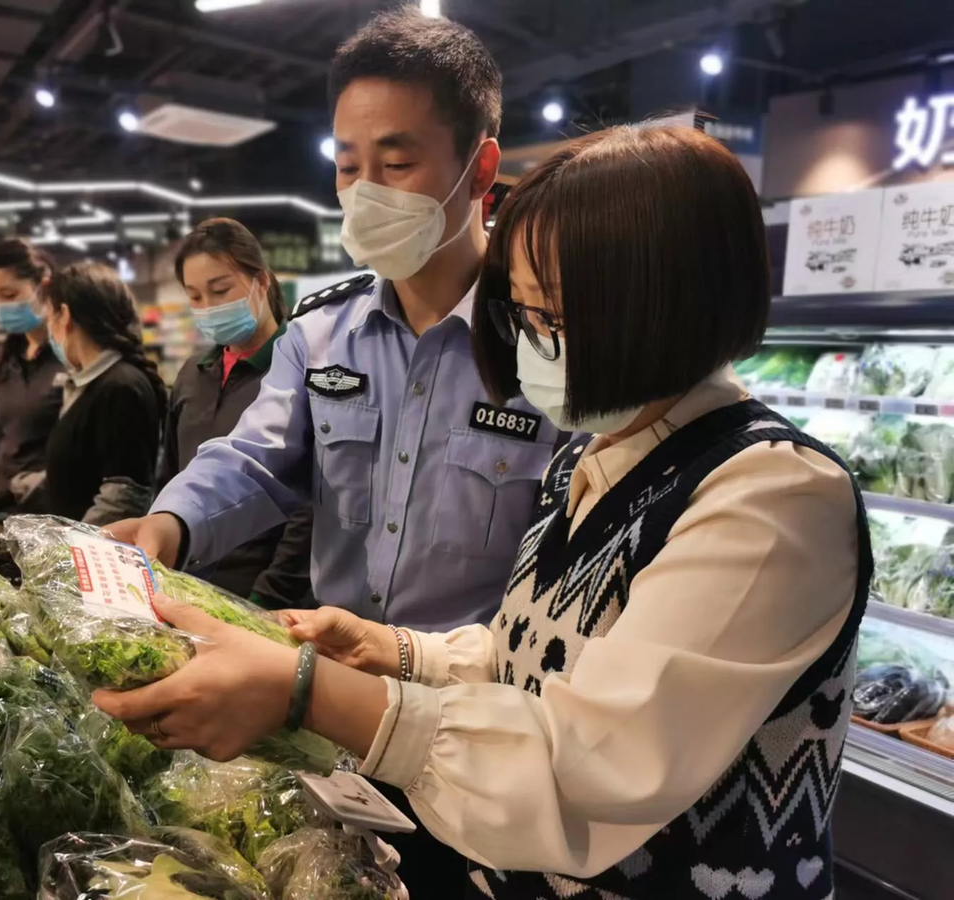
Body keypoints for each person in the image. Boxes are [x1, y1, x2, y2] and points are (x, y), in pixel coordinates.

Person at [94, 124, 870, 900]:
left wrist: (308, 691)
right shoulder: (596, 451)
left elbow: (586, 766)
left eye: (554, 320)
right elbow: (533, 657)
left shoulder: (771, 498)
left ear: (671, 306)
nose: (532, 346)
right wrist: (394, 652)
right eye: (523, 316)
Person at [108, 12, 558, 895]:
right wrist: (167, 524)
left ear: (482, 167)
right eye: (348, 165)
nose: (365, 190)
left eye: (396, 163)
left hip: (484, 739)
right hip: (328, 721)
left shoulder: (548, 340)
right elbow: (257, 460)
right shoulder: (326, 332)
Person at [166, 218, 314, 610]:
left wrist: (267, 595)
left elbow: (313, 503)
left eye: (221, 290)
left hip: (265, 595)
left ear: (261, 281)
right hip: (187, 586)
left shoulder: (302, 370)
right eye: (195, 296)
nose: (209, 307)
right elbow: (170, 474)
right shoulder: (192, 374)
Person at [41, 261, 168, 526]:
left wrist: (69, 550)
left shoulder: (121, 387)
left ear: (64, 315)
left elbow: (124, 497)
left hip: (88, 560)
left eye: (48, 317)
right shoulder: (89, 382)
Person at [0, 239, 63, 496]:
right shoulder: (4, 359)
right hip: (6, 503)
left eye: (10, 295)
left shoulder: (73, 357)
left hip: (56, 509)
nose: (0, 307)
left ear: (44, 287)